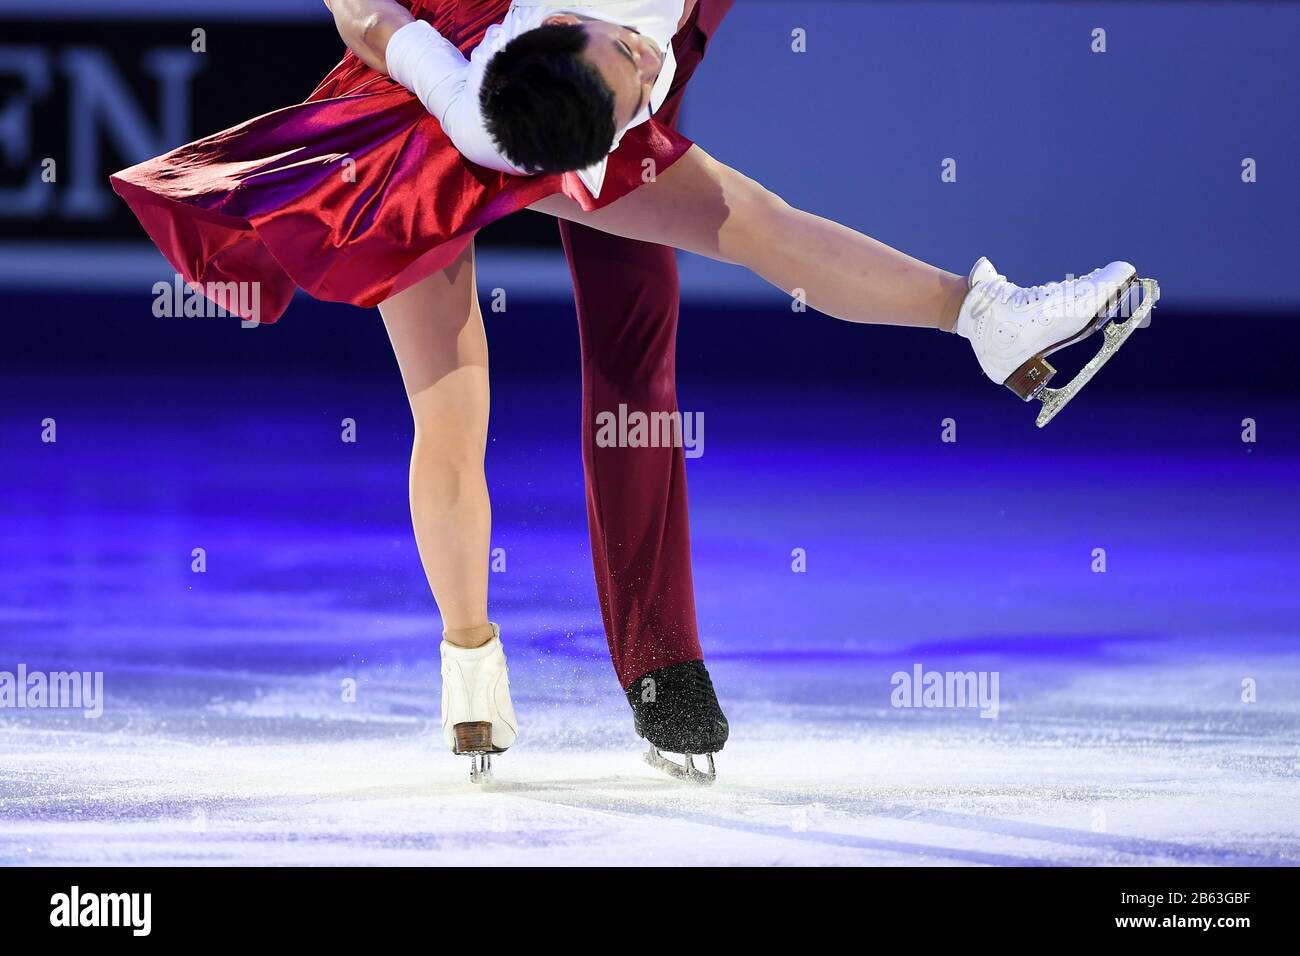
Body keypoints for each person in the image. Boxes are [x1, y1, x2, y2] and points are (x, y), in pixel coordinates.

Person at [112, 0, 1146, 783]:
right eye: (632, 71)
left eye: (633, 71)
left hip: (511, 105)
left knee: (705, 273)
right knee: (457, 408)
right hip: (411, 151)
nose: (647, 66)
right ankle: (470, 661)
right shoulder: (524, 103)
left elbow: (384, 21)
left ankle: (980, 319)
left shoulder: (581, 83)